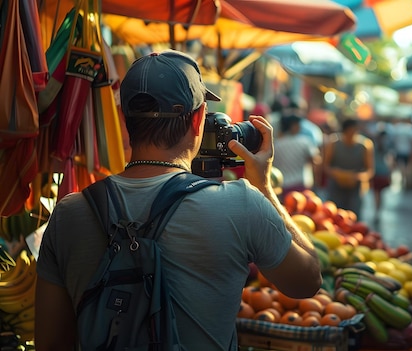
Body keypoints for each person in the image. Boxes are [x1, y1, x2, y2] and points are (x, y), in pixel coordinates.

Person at [34, 50, 322, 351]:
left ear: (124, 120)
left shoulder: (69, 213)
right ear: (198, 121)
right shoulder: (242, 204)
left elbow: (50, 343)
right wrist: (263, 186)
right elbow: (307, 281)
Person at [323, 118, 374, 217]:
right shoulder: (333, 143)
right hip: (336, 186)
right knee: (334, 215)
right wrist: (337, 174)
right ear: (344, 131)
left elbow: (370, 170)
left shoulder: (365, 145)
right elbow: (326, 166)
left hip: (355, 188)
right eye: (350, 131)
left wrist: (356, 177)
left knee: (353, 216)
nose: (353, 134)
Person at [273, 114, 321, 195]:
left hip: (281, 187)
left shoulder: (276, 145)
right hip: (301, 187)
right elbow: (316, 161)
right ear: (293, 126)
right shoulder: (304, 142)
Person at [370, 126, 394, 222]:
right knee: (380, 194)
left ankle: (377, 211)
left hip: (376, 171)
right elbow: (390, 160)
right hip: (382, 172)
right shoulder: (386, 146)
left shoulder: (374, 145)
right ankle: (378, 211)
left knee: (376, 193)